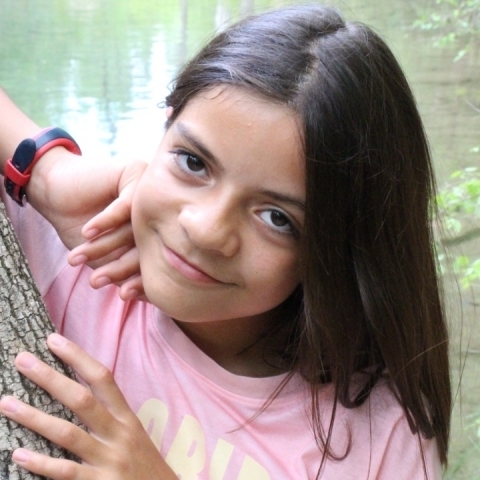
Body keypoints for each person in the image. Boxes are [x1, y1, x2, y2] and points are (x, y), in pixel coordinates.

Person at [0, 4, 450, 479]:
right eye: (193, 162)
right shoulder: (69, 250)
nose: (206, 229)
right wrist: (46, 169)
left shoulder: (383, 437)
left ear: (340, 250)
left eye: (277, 218)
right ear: (166, 127)